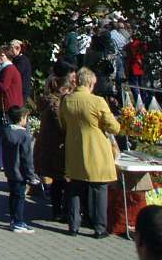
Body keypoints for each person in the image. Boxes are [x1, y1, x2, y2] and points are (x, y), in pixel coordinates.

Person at [61, 66, 120, 238]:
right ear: (90, 83)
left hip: (74, 149)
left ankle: (73, 226)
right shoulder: (97, 101)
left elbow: (63, 123)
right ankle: (99, 227)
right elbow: (113, 127)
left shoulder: (67, 100)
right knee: (98, 188)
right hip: (95, 150)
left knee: (75, 188)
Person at [34, 66, 74, 222]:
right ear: (63, 89)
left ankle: (57, 210)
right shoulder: (56, 104)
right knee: (62, 180)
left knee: (58, 180)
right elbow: (61, 126)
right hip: (57, 146)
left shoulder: (47, 100)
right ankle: (60, 211)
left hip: (49, 145)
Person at [0, 105, 39, 232]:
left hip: (10, 170)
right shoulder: (24, 136)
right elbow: (27, 158)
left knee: (13, 195)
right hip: (20, 172)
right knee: (20, 197)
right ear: (22, 118)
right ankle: (19, 222)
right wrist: (31, 175)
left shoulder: (5, 131)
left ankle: (13, 219)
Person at [0, 45, 23, 171]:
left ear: (7, 56)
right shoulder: (5, 69)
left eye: (1, 55)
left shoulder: (8, 69)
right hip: (6, 105)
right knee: (0, 133)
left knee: (4, 134)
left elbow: (3, 86)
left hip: (9, 106)